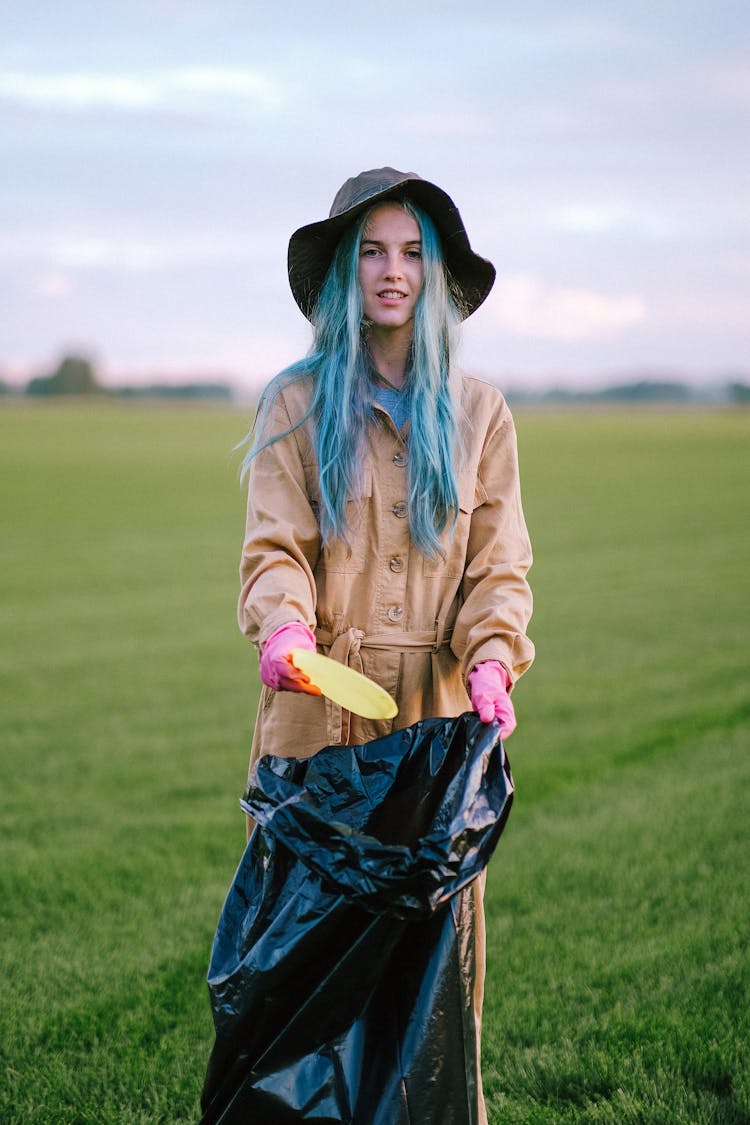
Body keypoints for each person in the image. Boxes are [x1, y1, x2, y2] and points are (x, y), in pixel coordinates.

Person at [236, 167, 534, 1122]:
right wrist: (284, 625)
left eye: (412, 252)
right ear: (344, 273)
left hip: (434, 745)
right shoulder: (293, 402)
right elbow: (273, 549)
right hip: (313, 730)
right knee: (298, 997)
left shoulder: (481, 414)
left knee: (426, 1007)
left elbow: (499, 568)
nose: (392, 271)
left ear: (436, 274)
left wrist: (492, 655)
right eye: (372, 250)